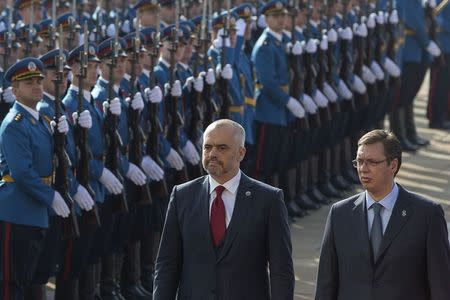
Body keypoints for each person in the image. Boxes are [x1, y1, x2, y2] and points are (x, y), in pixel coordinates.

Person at [153, 119, 294, 299]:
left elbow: (281, 271)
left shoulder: (268, 199)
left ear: (241, 153)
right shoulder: (182, 196)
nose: (212, 153)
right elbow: (166, 266)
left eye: (222, 148)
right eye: (207, 147)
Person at [315, 129, 450, 300]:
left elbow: (441, 285)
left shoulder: (427, 215)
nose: (363, 169)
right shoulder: (340, 214)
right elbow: (326, 285)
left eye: (371, 162)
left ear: (393, 165)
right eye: (359, 161)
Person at [0, 57, 71, 299]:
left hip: (35, 212)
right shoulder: (14, 124)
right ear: (15, 90)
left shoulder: (40, 121)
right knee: (12, 284)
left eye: (39, 81)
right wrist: (51, 196)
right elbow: (21, 172)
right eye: (29, 82)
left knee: (31, 280)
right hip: (17, 212)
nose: (37, 86)